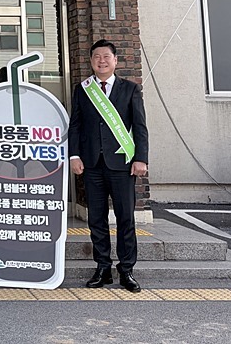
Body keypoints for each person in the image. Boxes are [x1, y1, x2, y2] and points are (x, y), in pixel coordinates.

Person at [68, 39, 149, 292]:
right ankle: (103, 267)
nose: (101, 61)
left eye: (106, 57)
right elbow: (76, 125)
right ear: (91, 61)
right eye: (96, 57)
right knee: (96, 219)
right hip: (92, 164)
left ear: (115, 60)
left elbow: (140, 126)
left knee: (125, 218)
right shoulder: (83, 89)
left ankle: (127, 270)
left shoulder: (130, 89)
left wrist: (141, 158)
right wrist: (74, 156)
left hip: (122, 164)